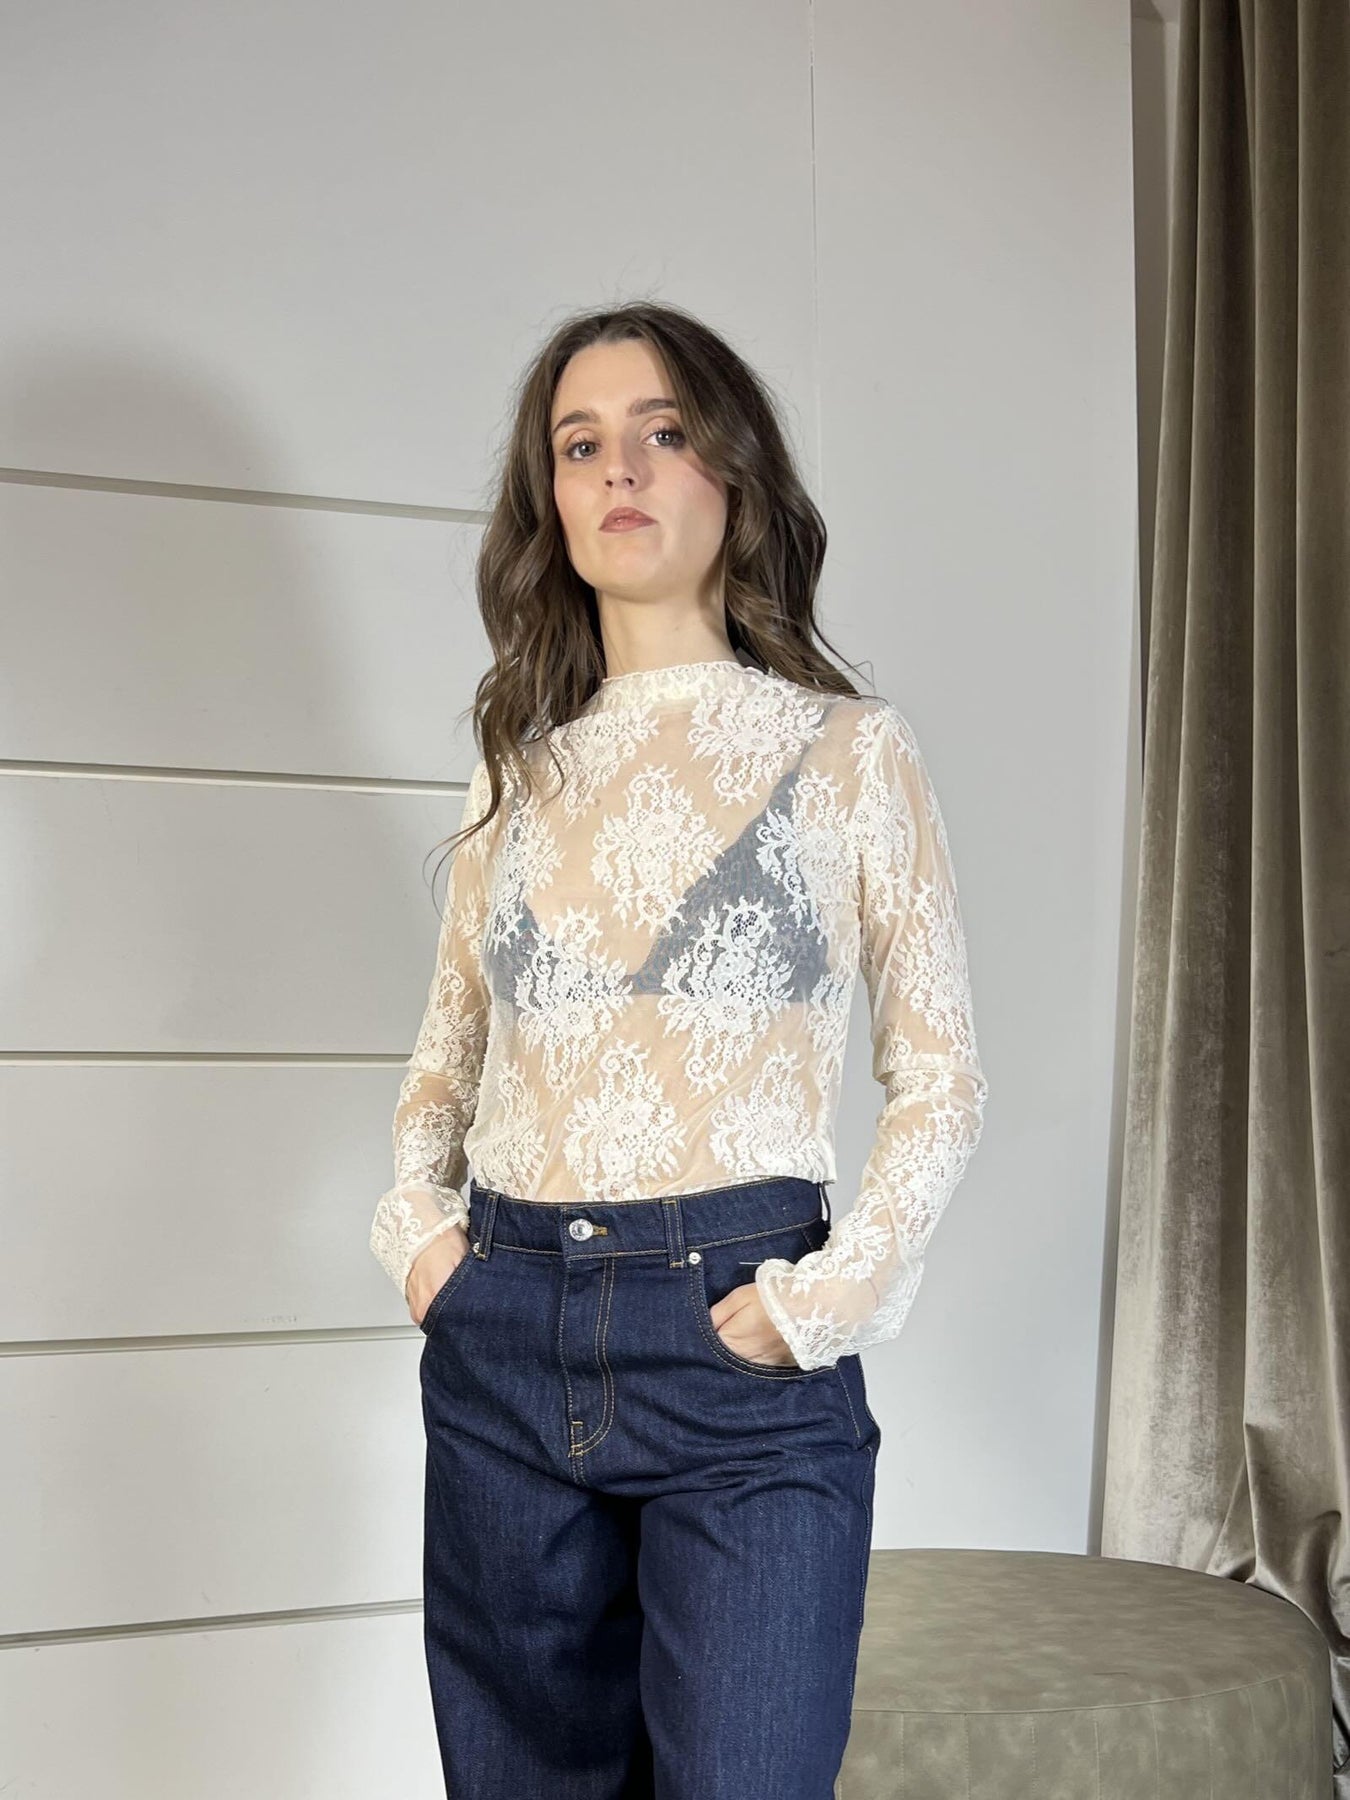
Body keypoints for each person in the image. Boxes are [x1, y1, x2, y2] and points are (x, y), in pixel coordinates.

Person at [368, 300, 989, 1800]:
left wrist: (826, 1298)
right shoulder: (514, 771)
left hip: (738, 1344)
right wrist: (424, 1244)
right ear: (549, 498)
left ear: (734, 473)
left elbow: (940, 1075)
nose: (620, 471)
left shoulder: (847, 750)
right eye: (579, 445)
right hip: (507, 1336)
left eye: (661, 432)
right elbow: (446, 1061)